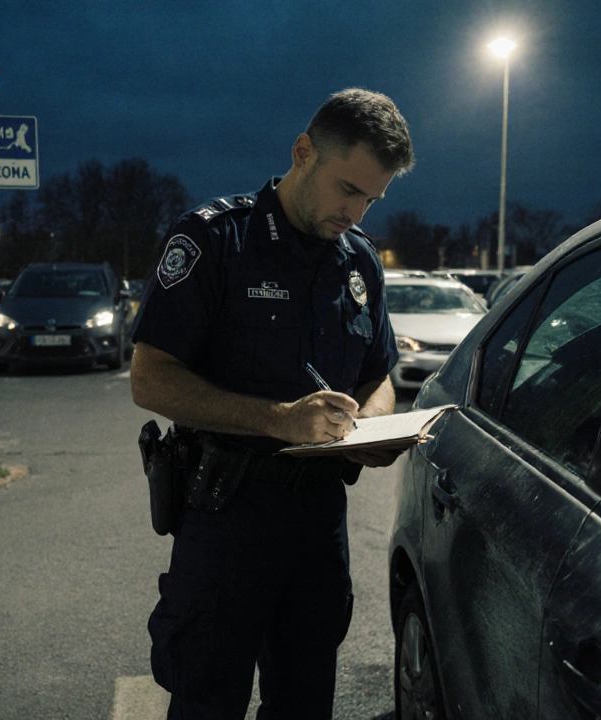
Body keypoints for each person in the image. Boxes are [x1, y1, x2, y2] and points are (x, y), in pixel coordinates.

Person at [129, 88, 415, 719]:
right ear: (303, 152)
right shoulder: (215, 241)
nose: (356, 211)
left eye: (371, 198)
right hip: (228, 514)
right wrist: (276, 420)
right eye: (347, 189)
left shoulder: (359, 263)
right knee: (208, 700)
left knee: (305, 702)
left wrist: (369, 423)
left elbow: (379, 375)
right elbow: (150, 378)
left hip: (317, 522)